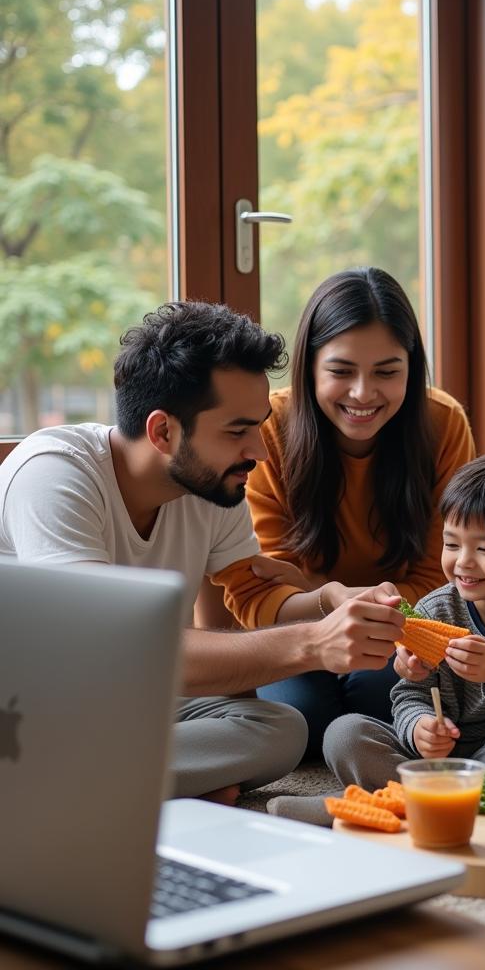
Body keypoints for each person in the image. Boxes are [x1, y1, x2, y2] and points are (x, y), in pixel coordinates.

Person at [0, 301, 408, 803]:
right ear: (163, 432)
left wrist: (329, 600)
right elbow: (108, 650)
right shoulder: (53, 474)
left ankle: (120, 781)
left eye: (258, 426)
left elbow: (239, 610)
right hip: (33, 709)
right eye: (237, 431)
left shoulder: (212, 484)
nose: (258, 451)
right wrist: (314, 641)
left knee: (281, 729)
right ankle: (104, 780)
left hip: (126, 707)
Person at [266, 453, 485, 825]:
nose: (463, 562)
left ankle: (365, 805)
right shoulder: (436, 607)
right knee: (344, 732)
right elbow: (409, 695)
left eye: (484, 549)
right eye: (452, 544)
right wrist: (418, 728)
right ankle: (449, 802)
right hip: (427, 754)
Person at [241, 268, 476, 748]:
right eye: (341, 371)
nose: (363, 394)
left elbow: (447, 574)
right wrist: (331, 598)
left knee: (382, 698)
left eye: (387, 372)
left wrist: (322, 588)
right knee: (302, 719)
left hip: (403, 629)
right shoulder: (268, 430)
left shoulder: (442, 423)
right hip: (299, 626)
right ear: (309, 366)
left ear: (411, 368)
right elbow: (262, 586)